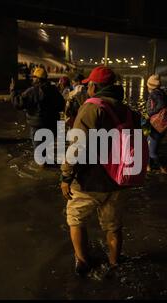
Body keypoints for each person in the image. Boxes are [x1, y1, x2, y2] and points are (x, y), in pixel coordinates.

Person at [60, 66, 141, 275]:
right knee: (113, 226)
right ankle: (115, 263)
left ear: (94, 86)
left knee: (75, 218)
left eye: (89, 85)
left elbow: (76, 146)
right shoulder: (127, 111)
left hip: (89, 180)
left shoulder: (91, 108)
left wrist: (66, 176)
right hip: (118, 180)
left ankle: (82, 261)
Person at [10, 67, 65, 156]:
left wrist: (13, 91)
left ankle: (42, 168)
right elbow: (61, 106)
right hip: (52, 126)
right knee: (48, 153)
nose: (32, 79)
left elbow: (18, 104)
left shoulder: (32, 91)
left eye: (34, 77)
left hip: (38, 128)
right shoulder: (54, 90)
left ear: (38, 79)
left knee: (40, 156)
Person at [145, 75, 167, 174]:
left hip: (156, 126)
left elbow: (161, 105)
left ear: (149, 85)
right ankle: (148, 167)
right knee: (149, 146)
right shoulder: (162, 93)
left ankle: (163, 168)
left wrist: (149, 113)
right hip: (163, 125)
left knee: (152, 151)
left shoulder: (154, 93)